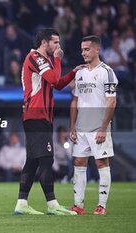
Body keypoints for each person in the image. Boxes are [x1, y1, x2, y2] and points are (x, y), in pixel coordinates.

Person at [14, 28, 84, 215]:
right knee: (46, 159)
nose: (58, 46)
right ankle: (52, 205)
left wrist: (72, 73)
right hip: (36, 115)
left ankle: (21, 203)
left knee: (32, 161)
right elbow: (53, 78)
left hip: (40, 116)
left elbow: (58, 84)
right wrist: (58, 59)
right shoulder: (35, 57)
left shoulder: (43, 61)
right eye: (55, 42)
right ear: (44, 42)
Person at [69, 35, 118, 215]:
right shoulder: (80, 73)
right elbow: (75, 101)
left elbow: (111, 102)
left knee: (101, 163)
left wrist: (104, 128)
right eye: (82, 49)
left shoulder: (107, 71)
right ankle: (78, 205)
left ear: (97, 49)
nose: (83, 53)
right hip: (81, 127)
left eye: (87, 49)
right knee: (79, 162)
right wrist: (72, 126)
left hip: (99, 126)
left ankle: (101, 205)